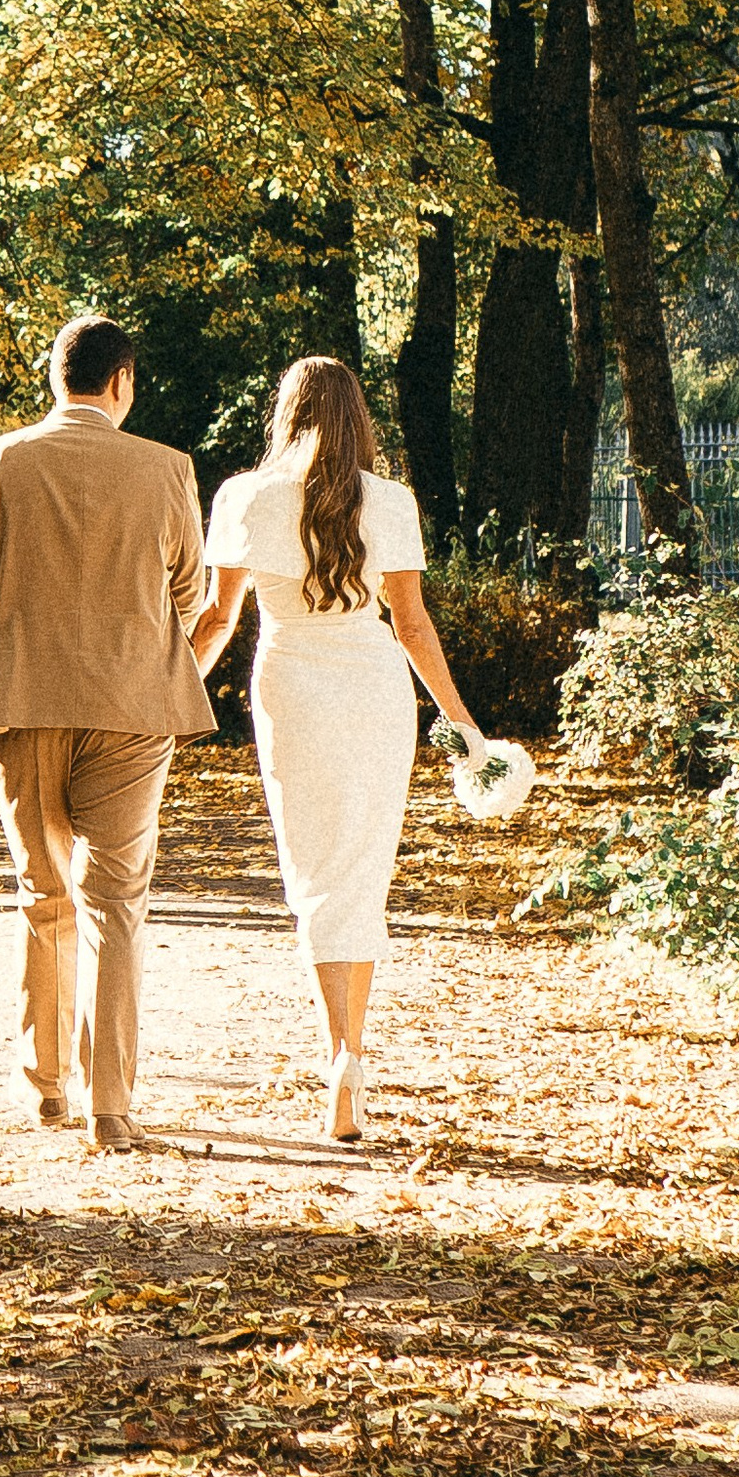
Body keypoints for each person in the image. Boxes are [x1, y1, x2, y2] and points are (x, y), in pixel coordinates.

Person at [0, 314, 212, 1151]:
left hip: (22, 703)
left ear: (57, 378)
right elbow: (188, 593)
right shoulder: (167, 471)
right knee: (115, 901)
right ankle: (110, 1106)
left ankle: (46, 1089)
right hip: (131, 707)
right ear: (121, 382)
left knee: (44, 895)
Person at [192, 354, 483, 1143]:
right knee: (362, 870)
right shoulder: (390, 500)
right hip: (375, 687)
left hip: (292, 683)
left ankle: (337, 1056)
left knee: (314, 869)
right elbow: (414, 626)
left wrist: (167, 690)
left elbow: (218, 620)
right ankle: (352, 1056)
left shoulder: (245, 497)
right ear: (359, 416)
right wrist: (462, 723)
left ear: (286, 414)